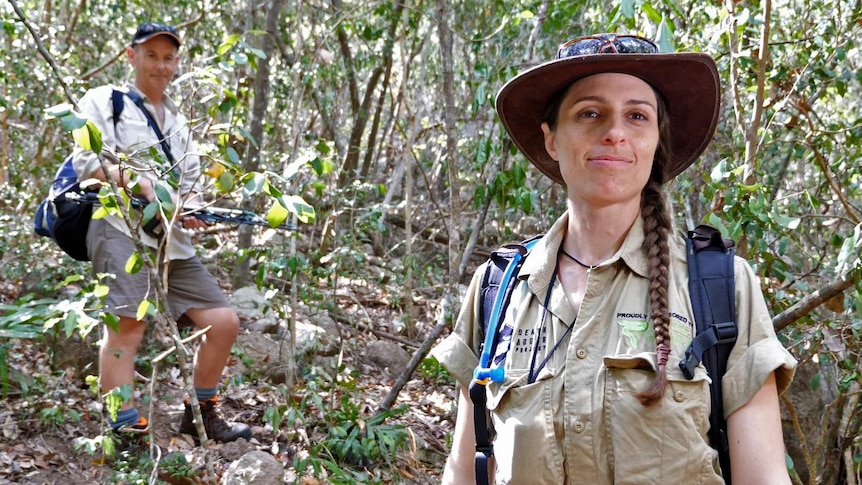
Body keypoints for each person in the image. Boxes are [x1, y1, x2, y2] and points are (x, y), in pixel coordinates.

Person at [431, 34, 797, 484]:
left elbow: (763, 477)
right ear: (551, 139)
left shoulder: (721, 286)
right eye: (589, 113)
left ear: (655, 140)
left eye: (637, 116)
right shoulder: (499, 288)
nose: (614, 132)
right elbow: (464, 470)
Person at [71, 22, 252, 448]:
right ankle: (125, 433)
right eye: (151, 55)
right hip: (118, 225)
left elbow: (188, 186)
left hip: (170, 238)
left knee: (223, 322)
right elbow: (86, 165)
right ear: (132, 57)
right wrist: (136, 182)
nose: (160, 65)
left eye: (168, 57)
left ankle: (201, 415)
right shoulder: (103, 102)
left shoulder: (180, 123)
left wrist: (190, 211)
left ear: (176, 63)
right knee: (127, 328)